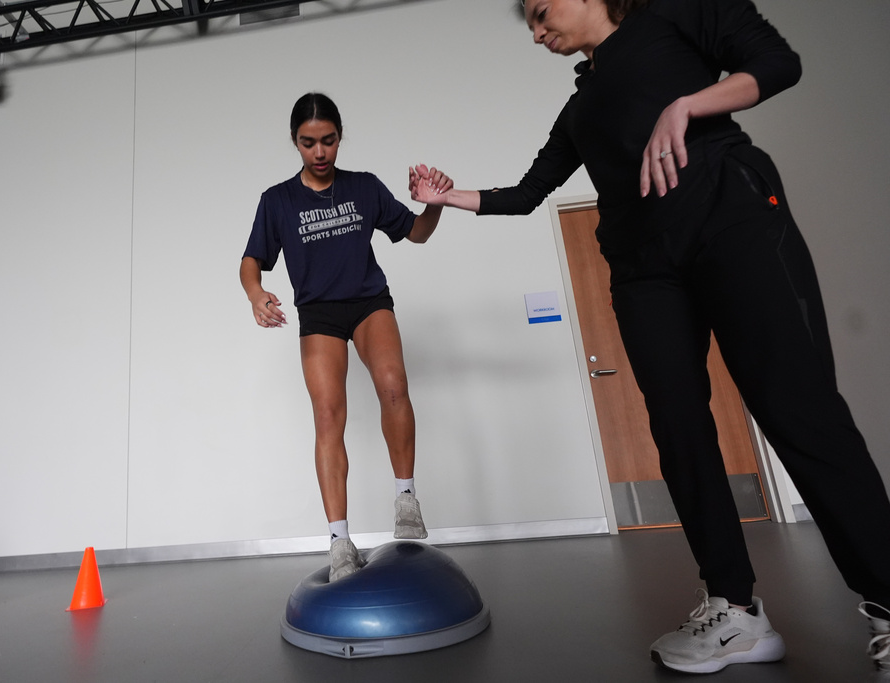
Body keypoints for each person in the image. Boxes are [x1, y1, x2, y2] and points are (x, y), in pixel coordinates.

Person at [410, 0, 890, 674]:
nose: (536, 29)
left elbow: (778, 63)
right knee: (678, 431)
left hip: (732, 215)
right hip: (643, 271)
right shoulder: (580, 110)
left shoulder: (674, 15)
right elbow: (525, 193)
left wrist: (689, 105)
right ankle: (735, 609)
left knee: (798, 408)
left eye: (541, 12)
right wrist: (448, 195)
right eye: (528, 22)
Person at [240, 93, 453, 582]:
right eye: (308, 143)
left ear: (340, 137)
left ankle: (406, 498)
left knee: (394, 385)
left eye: (329, 141)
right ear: (295, 142)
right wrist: (256, 294)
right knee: (327, 413)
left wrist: (435, 205)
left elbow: (416, 232)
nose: (320, 152)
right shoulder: (277, 200)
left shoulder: (364, 187)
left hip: (368, 302)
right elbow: (252, 259)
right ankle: (339, 540)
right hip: (318, 313)